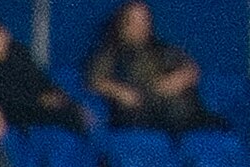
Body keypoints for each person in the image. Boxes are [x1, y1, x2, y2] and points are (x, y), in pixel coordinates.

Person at [87, 2, 216, 132]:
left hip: (172, 108)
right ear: (122, 23)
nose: (141, 26)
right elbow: (95, 81)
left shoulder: (161, 49)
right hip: (137, 109)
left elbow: (190, 68)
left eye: (144, 20)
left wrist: (182, 77)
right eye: (135, 21)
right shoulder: (110, 51)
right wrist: (119, 91)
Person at [0, 18, 83, 130]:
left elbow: (39, 80)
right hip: (5, 111)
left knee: (75, 111)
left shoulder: (19, 53)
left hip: (31, 103)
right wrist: (38, 100)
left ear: (6, 35)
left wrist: (58, 97)